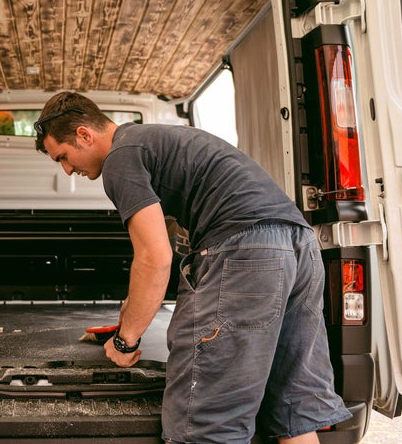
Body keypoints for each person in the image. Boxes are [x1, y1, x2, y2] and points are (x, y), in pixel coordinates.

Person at [34, 91, 352, 444]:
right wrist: (136, 306)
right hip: (299, 248)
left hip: (247, 254)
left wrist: (125, 342)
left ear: (84, 134)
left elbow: (155, 257)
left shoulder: (120, 158)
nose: (67, 170)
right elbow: (165, 246)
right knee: (294, 406)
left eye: (63, 157)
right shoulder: (154, 141)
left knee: (206, 423)